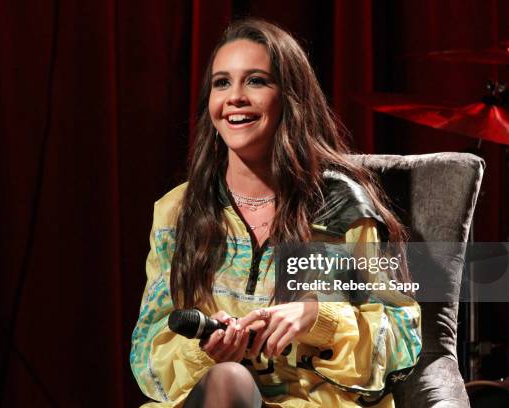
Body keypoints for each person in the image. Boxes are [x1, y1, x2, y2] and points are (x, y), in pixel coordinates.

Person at [130, 18, 421, 408]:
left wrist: (318, 318)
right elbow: (147, 354)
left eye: (256, 81)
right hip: (211, 398)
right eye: (222, 82)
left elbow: (402, 338)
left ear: (290, 98)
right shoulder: (177, 212)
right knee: (229, 379)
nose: (234, 96)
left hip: (312, 403)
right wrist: (205, 354)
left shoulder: (342, 207)